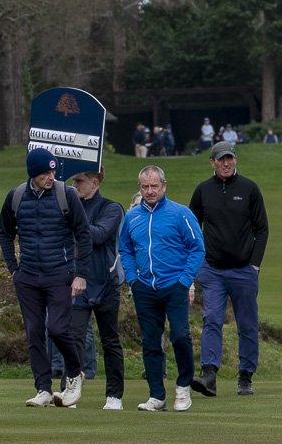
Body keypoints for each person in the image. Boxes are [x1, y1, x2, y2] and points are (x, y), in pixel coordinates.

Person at [0, 148, 90, 408]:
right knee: (34, 332)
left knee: (58, 329)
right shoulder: (16, 196)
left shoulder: (66, 195)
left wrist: (81, 274)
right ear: (33, 173)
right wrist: (13, 269)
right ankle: (43, 389)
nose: (51, 177)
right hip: (27, 276)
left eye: (52, 171)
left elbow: (83, 234)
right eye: (45, 173)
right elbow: (5, 232)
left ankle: (75, 372)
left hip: (59, 273)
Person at [119, 163, 205, 411]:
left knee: (180, 335)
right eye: (145, 186)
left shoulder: (180, 213)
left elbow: (197, 248)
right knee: (150, 342)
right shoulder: (132, 216)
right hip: (144, 287)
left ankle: (183, 386)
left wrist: (184, 280)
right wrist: (132, 278)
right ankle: (157, 395)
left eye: (154, 186)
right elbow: (125, 248)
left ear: (164, 186)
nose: (150, 191)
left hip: (174, 285)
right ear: (140, 187)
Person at [188, 140, 270, 398]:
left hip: (244, 269)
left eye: (229, 158)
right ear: (212, 162)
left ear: (235, 160)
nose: (226, 163)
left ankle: (245, 375)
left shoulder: (249, 189)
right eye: (221, 159)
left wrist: (254, 265)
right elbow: (192, 228)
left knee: (247, 323)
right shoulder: (203, 190)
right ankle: (209, 374)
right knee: (212, 319)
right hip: (212, 269)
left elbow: (262, 229)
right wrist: (198, 262)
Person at [62, 169, 128, 409]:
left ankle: (114, 396)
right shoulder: (70, 208)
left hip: (106, 283)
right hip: (78, 282)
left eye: (79, 181)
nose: (75, 184)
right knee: (73, 339)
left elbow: (98, 235)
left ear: (95, 183)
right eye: (73, 180)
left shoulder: (112, 208)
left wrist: (74, 219)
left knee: (110, 341)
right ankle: (69, 391)